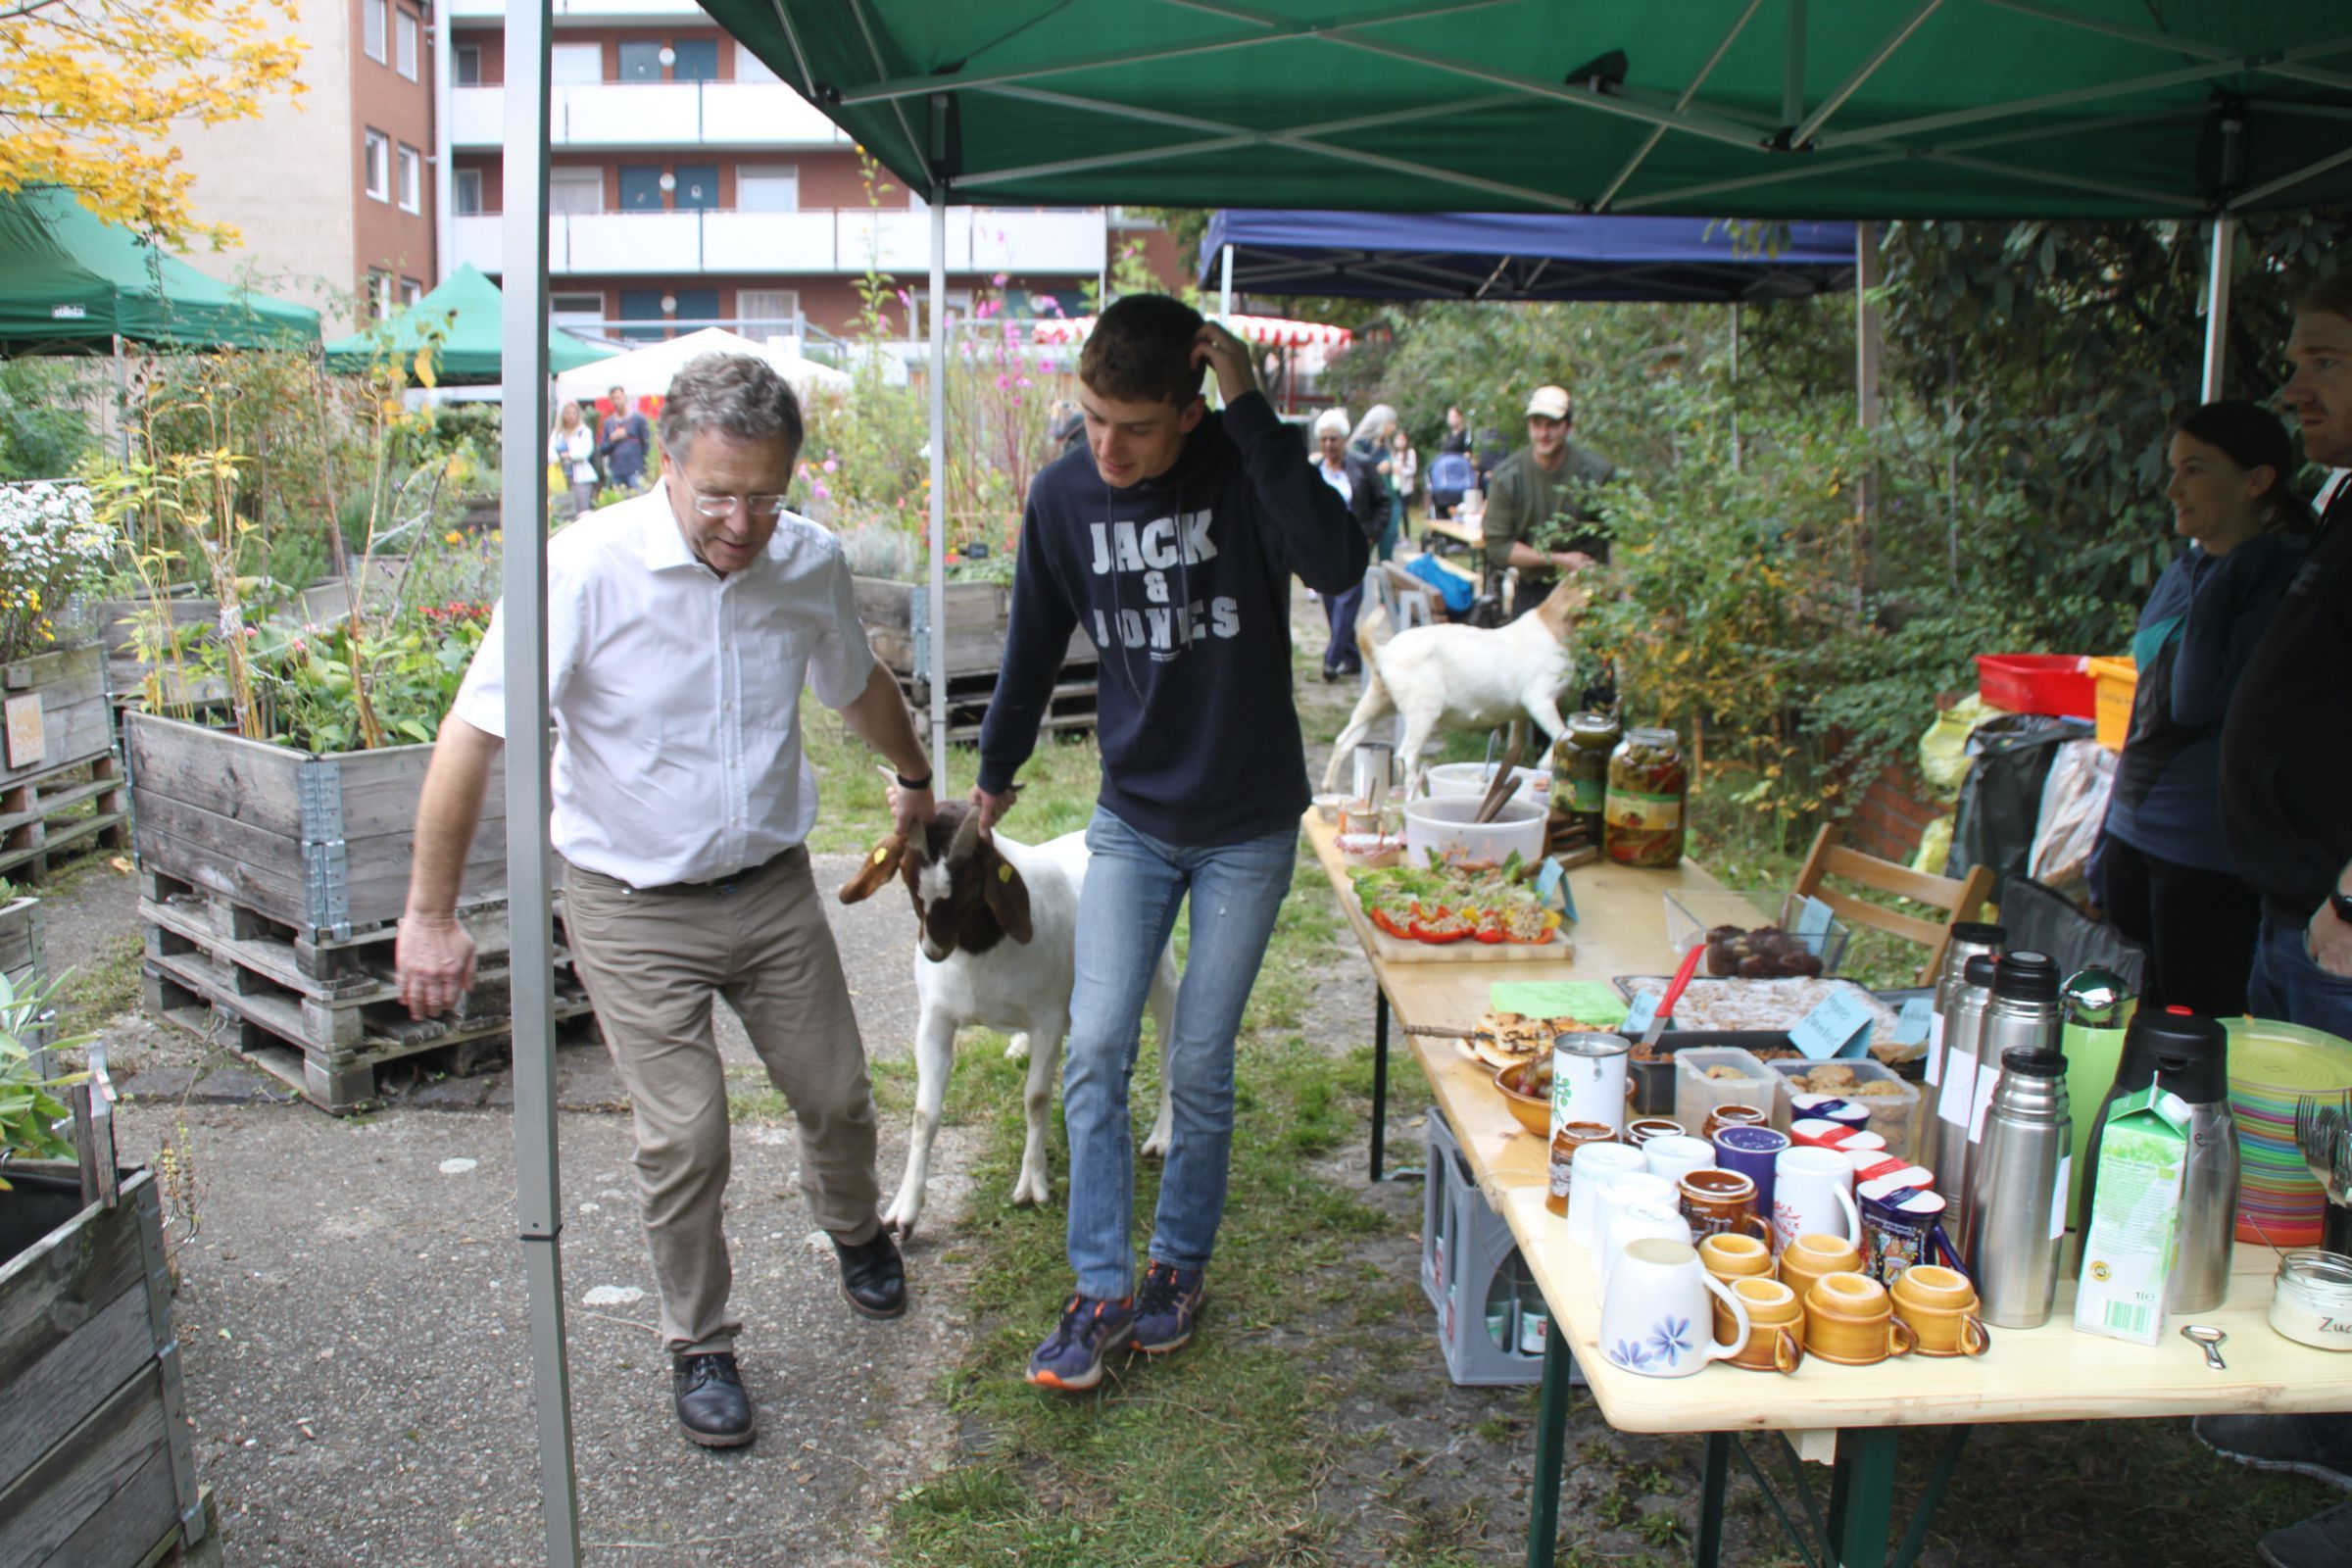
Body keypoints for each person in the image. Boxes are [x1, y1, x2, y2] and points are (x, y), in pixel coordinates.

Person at [395, 353, 935, 1449]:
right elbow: (473, 729)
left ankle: (854, 1229)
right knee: (688, 1135)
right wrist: (428, 910)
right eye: (720, 494)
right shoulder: (581, 569)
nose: (745, 521)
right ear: (668, 464)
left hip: (771, 886)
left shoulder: (805, 560)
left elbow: (854, 679)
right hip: (630, 901)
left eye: (769, 495)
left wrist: (917, 779)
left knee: (836, 1096)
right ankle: (701, 1343)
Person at [969, 294, 1367, 1392]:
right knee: (1096, 1045)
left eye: (1134, 427)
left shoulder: (1245, 470)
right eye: (1092, 418)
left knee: (1196, 1059)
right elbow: (1030, 647)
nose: (1106, 447)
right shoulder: (1062, 498)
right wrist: (993, 781)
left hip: (1245, 826)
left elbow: (1337, 562)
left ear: (1190, 411)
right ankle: (1098, 1287)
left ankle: (1177, 1267)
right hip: (1133, 819)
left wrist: (1256, 411)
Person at [2196, 275, 2352, 1568]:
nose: (2294, 386)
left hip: (2344, 920)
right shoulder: (2342, 510)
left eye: (2324, 363)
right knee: (2310, 1179)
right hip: (2292, 909)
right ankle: (2315, 1412)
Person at [2091, 401, 2308, 1016]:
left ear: (2257, 480)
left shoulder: (2278, 580)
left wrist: (2235, 570)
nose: (2172, 488)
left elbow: (2193, 702)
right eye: (2173, 469)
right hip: (2136, 829)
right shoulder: (2187, 568)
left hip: (2207, 853)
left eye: (2194, 469)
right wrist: (2110, 827)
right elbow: (2146, 710)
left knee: (2189, 1034)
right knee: (2120, 1019)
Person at [1480, 384, 1617, 617]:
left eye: (1552, 425)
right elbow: (1497, 546)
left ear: (1568, 427)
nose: (1543, 434)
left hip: (1588, 590)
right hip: (1533, 590)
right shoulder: (1508, 476)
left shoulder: (1596, 473)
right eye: (1537, 424)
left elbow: (1621, 536)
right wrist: (1561, 560)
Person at [1313, 407, 1385, 681]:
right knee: (1332, 606)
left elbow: (1383, 503)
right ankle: (1351, 657)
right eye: (1325, 439)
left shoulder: (1362, 465)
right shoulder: (1314, 470)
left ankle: (1331, 660)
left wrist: (1370, 536)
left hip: (1354, 546)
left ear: (1344, 440)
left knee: (1346, 603)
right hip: (1324, 548)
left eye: (1334, 439)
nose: (1329, 445)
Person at [549, 401, 599, 518]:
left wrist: (570, 455)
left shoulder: (583, 431)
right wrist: (558, 458)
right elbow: (551, 451)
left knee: (582, 512)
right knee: (563, 512)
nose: (571, 416)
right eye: (568, 413)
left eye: (573, 413)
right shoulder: (557, 433)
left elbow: (586, 451)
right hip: (561, 477)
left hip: (580, 478)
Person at [599, 386, 654, 492]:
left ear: (624, 397)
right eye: (613, 399)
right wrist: (612, 439)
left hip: (635, 470)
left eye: (618, 398)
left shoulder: (639, 419)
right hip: (616, 472)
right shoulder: (608, 423)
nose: (616, 401)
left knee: (638, 498)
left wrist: (648, 468)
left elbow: (647, 445)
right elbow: (602, 450)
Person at [1382, 423, 1417, 561]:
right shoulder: (1391, 453)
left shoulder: (1410, 453)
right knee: (1394, 513)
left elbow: (1412, 469)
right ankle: (1395, 536)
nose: (1400, 441)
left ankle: (1407, 536)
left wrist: (1400, 470)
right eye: (1398, 439)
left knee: (1404, 511)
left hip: (1405, 487)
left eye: (1403, 439)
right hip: (1394, 487)